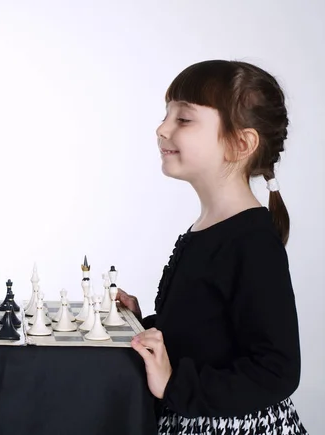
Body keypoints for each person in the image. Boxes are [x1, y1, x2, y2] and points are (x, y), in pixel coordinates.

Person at [117, 60, 308, 434]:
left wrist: (175, 385)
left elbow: (276, 370)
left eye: (183, 119)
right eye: (166, 115)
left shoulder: (253, 243)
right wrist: (144, 326)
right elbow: (209, 335)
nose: (161, 128)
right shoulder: (208, 228)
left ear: (241, 143)